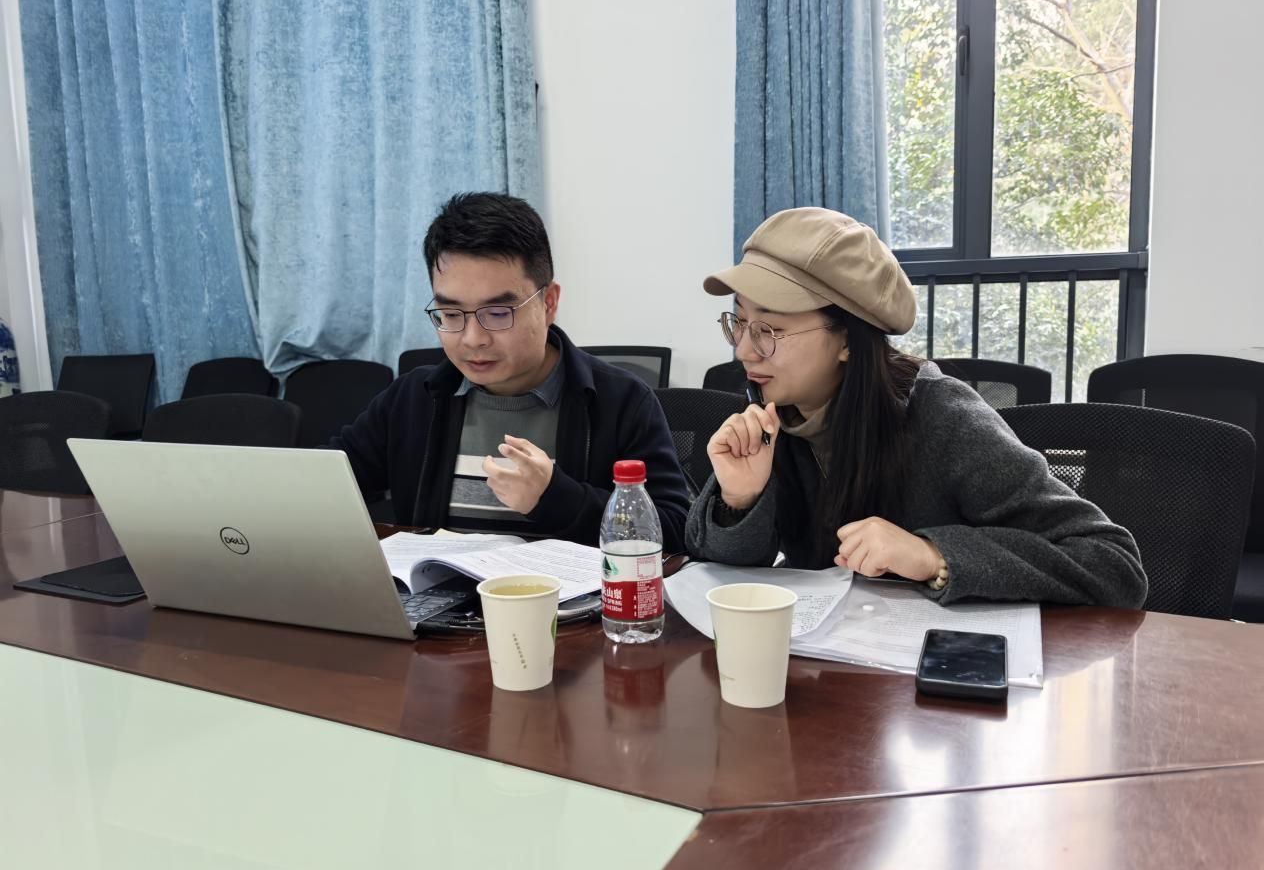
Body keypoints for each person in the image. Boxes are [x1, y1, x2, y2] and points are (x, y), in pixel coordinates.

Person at [685, 206, 1147, 608]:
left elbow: (1113, 564)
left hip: (937, 671)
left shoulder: (943, 416)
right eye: (739, 322)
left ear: (847, 340)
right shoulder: (772, 413)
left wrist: (934, 556)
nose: (743, 350)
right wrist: (739, 501)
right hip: (826, 665)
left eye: (769, 330)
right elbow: (725, 576)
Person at [330, 192, 691, 549]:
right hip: (431, 589)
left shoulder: (621, 401)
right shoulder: (412, 399)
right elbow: (326, 486)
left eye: (498, 313)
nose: (473, 339)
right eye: (451, 315)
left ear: (549, 304)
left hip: (562, 590)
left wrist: (556, 497)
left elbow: (674, 532)